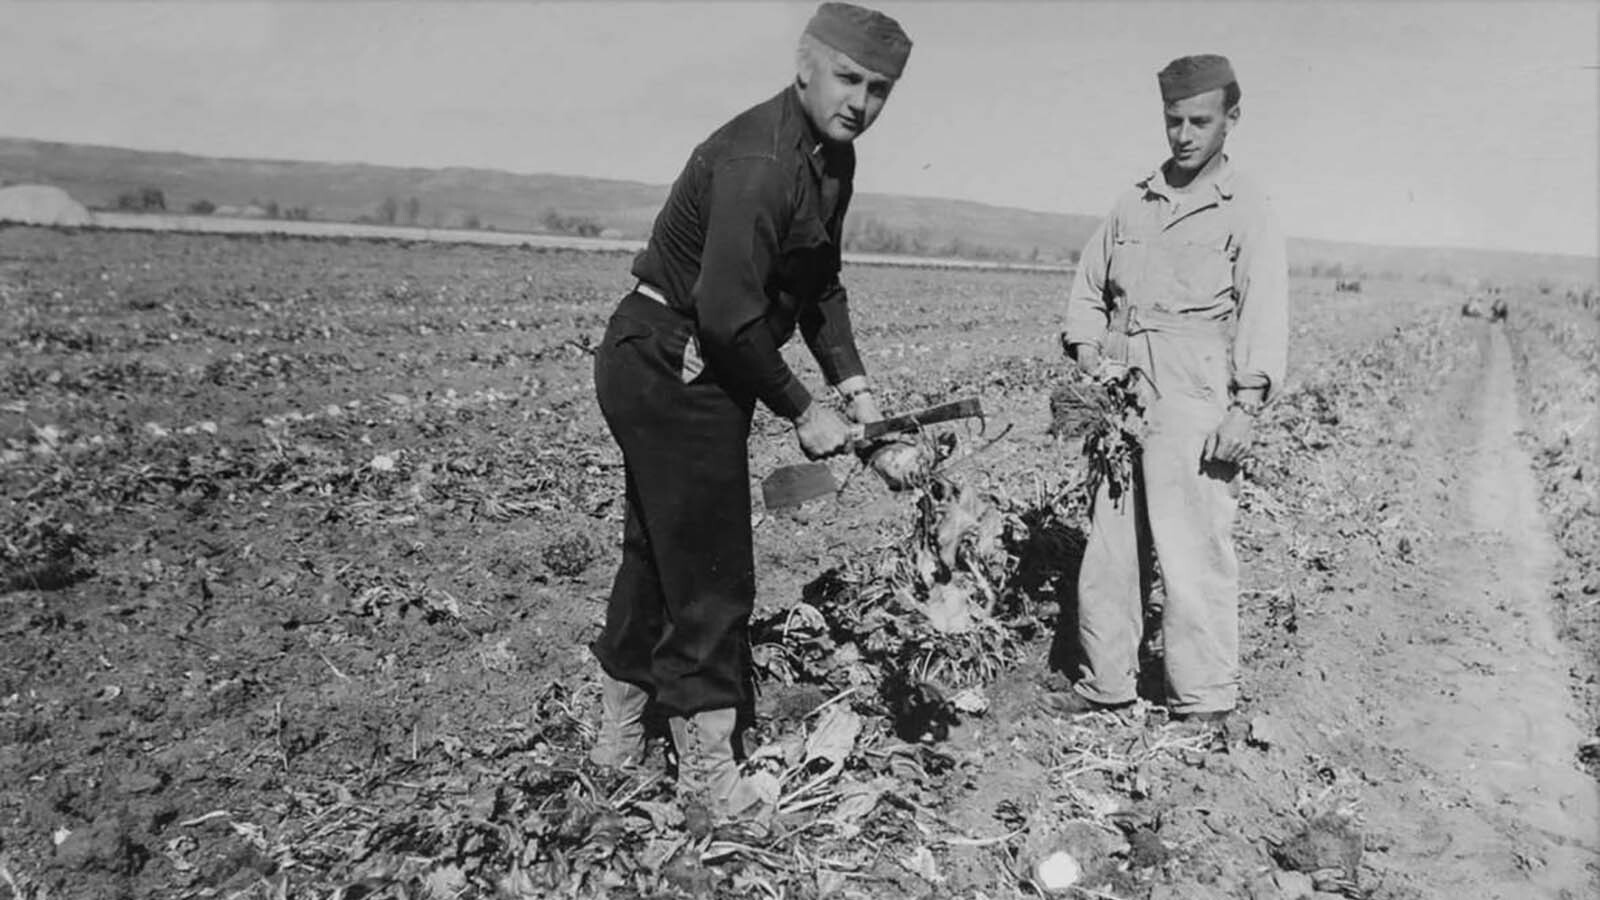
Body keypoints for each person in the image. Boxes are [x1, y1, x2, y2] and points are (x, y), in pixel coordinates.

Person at [587, 2, 912, 816]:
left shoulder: (829, 160)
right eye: (848, 78)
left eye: (879, 90)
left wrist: (858, 392)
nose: (860, 102)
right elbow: (730, 318)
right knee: (712, 571)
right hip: (671, 358)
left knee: (660, 552)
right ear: (805, 63)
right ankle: (708, 780)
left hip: (692, 359)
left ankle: (620, 740)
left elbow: (819, 286)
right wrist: (805, 409)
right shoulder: (759, 160)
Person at [1056, 54, 1288, 728]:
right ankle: (1106, 685)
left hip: (1195, 388)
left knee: (1193, 548)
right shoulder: (1134, 201)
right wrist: (1087, 355)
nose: (1183, 134)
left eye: (1199, 121)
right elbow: (1087, 290)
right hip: (1120, 390)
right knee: (1110, 545)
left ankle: (1204, 698)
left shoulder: (1246, 208)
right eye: (1173, 121)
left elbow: (1264, 311)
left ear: (1230, 120)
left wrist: (1246, 406)